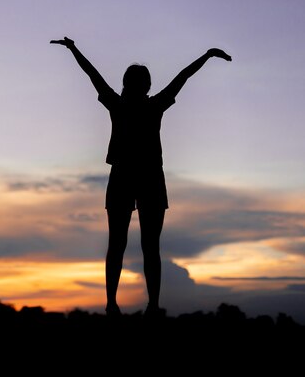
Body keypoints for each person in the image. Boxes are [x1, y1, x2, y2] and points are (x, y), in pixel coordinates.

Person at [50, 36, 231, 316]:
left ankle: (117, 303)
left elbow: (93, 75)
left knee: (120, 245)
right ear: (146, 85)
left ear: (127, 83)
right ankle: (147, 304)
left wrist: (74, 49)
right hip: (144, 177)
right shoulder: (149, 105)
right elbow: (181, 78)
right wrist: (206, 57)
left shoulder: (122, 104)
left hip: (130, 176)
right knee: (147, 247)